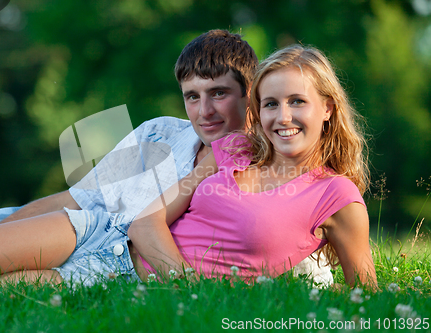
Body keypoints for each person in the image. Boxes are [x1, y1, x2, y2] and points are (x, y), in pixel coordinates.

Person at [0, 32, 332, 286]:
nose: (204, 111)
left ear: (251, 95)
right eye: (192, 96)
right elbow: (76, 199)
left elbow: (281, 235)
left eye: (219, 93)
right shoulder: (158, 133)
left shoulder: (260, 166)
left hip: (112, 266)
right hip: (84, 228)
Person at [128, 45, 377, 287]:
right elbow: (145, 223)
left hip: (148, 290)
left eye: (297, 101)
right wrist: (188, 286)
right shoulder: (237, 148)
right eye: (271, 104)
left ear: (327, 109)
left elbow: (366, 294)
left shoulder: (335, 194)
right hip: (113, 258)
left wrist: (192, 296)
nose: (283, 117)